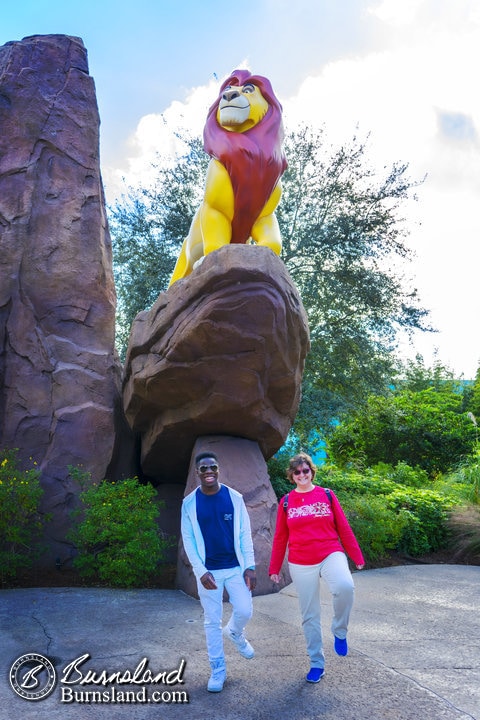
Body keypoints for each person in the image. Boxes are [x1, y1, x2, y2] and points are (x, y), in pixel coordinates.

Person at [269, 452, 365, 683]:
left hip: (330, 551)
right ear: (292, 476)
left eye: (306, 470)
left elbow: (343, 528)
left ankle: (339, 631)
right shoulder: (286, 502)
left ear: (312, 471)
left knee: (345, 587)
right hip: (300, 561)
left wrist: (356, 555)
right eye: (297, 471)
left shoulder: (327, 495)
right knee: (309, 614)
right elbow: (281, 538)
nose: (302, 474)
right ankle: (316, 663)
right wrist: (274, 568)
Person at [181, 451, 257, 692]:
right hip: (209, 573)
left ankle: (235, 632)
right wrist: (201, 572)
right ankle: (218, 670)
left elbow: (245, 533)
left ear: (218, 469)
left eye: (212, 467)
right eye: (203, 469)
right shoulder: (189, 503)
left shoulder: (234, 498)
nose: (209, 472)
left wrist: (250, 566)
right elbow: (188, 539)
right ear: (197, 473)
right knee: (211, 622)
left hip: (235, 568)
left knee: (245, 609)